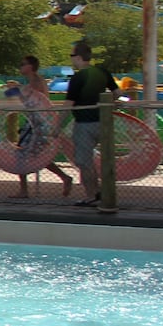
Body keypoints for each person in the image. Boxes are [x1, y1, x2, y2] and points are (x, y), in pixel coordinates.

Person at [65, 41, 119, 207]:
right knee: (105, 159)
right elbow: (117, 93)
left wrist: (56, 126)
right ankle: (102, 193)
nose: (71, 59)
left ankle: (91, 195)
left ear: (79, 57)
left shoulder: (78, 77)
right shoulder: (103, 72)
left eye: (72, 56)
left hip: (84, 124)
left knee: (83, 162)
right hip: (103, 123)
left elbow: (68, 105)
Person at [12, 55, 73, 199]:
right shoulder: (33, 82)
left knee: (21, 154)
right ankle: (64, 177)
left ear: (31, 66)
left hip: (37, 123)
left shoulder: (36, 82)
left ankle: (24, 190)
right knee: (35, 155)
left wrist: (14, 89)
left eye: (23, 64)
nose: (20, 67)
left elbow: (25, 97)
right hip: (35, 121)